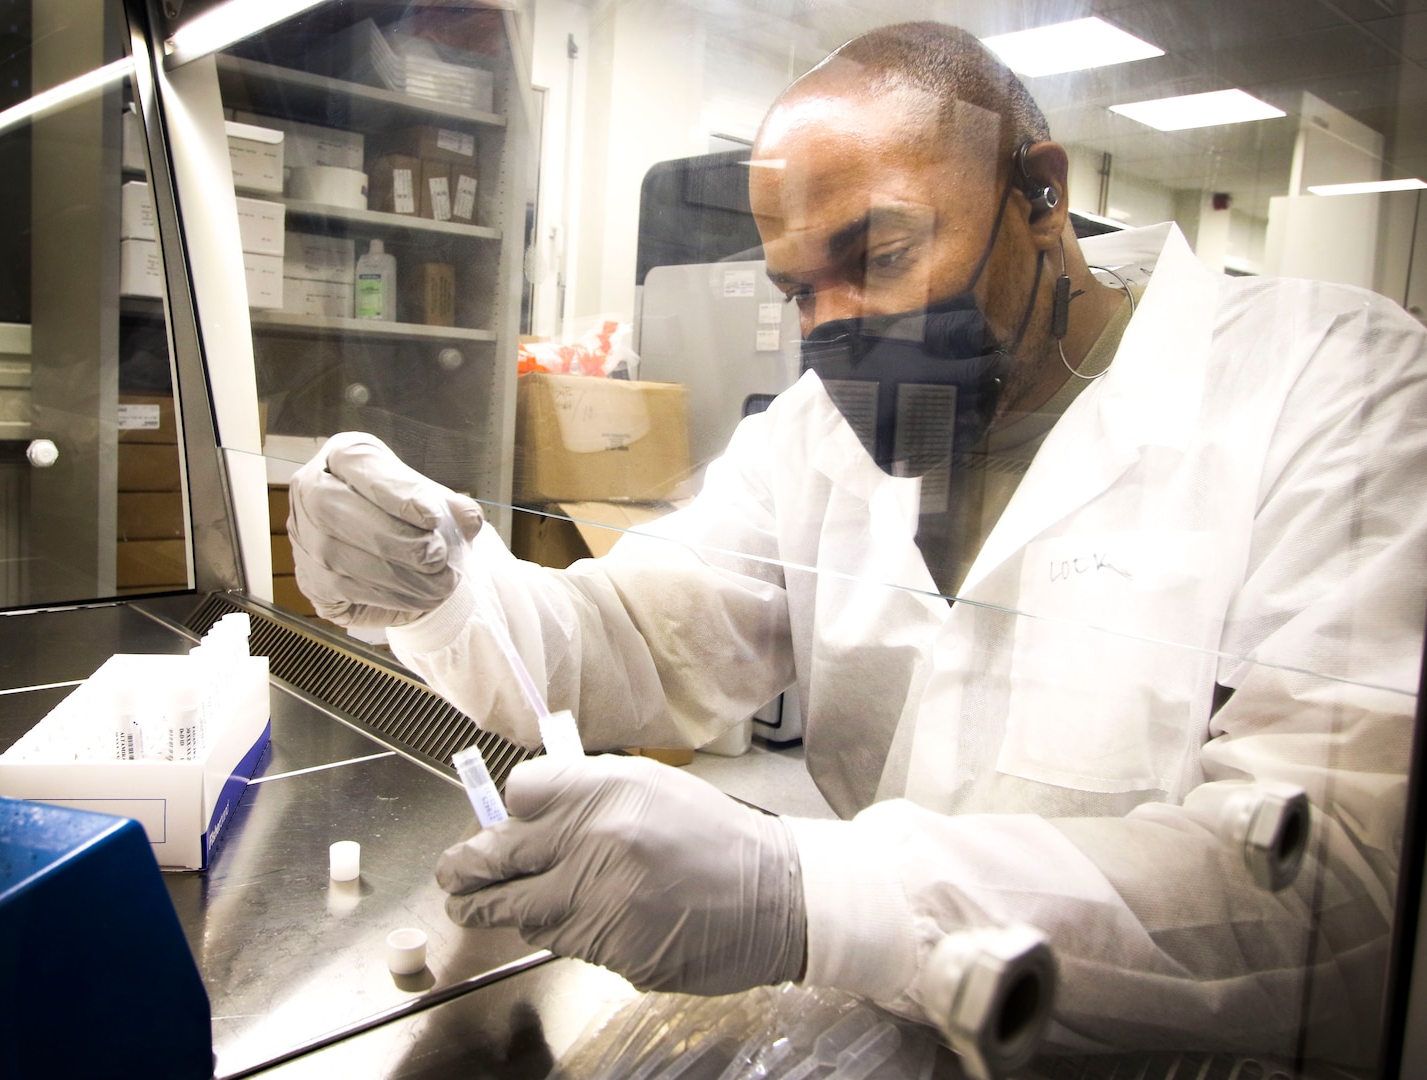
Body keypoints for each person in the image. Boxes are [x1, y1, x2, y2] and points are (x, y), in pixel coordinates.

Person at [289, 22, 1427, 1065]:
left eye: (879, 257)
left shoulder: (1329, 385)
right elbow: (640, 640)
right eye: (800, 289)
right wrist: (441, 583)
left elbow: (1341, 890)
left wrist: (809, 894)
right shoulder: (818, 432)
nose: (835, 330)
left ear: (1039, 192)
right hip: (902, 1030)